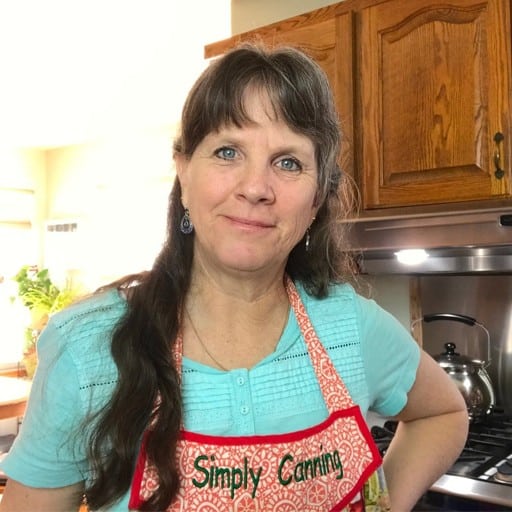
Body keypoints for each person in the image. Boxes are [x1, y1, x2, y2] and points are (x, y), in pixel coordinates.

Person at [0, 43, 468, 512]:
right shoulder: (86, 348)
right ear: (183, 171)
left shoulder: (352, 327)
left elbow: (443, 412)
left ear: (317, 198)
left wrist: (385, 504)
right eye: (228, 151)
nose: (255, 188)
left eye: (288, 162)